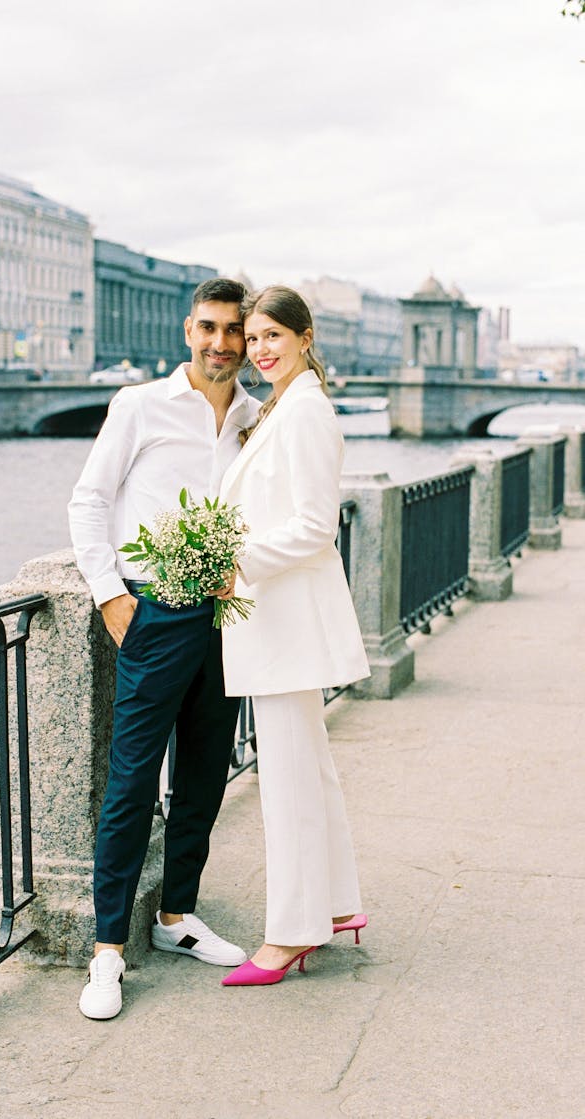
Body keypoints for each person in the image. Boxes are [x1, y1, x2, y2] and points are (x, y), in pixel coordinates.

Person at [68, 277, 259, 1019]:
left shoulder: (253, 417)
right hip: (152, 610)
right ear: (188, 330)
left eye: (233, 330)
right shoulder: (139, 404)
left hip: (222, 614)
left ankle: (177, 915)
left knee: (207, 772)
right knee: (130, 783)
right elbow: (89, 498)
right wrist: (112, 595)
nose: (220, 342)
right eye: (208, 327)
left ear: (248, 339)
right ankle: (107, 951)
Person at [215, 285, 371, 987]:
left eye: (274, 334)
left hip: (281, 620)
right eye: (253, 339)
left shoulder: (304, 411)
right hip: (282, 621)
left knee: (287, 782)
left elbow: (315, 524)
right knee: (309, 770)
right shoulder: (290, 406)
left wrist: (236, 563)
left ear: (306, 337)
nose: (261, 349)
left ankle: (289, 935)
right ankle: (335, 908)